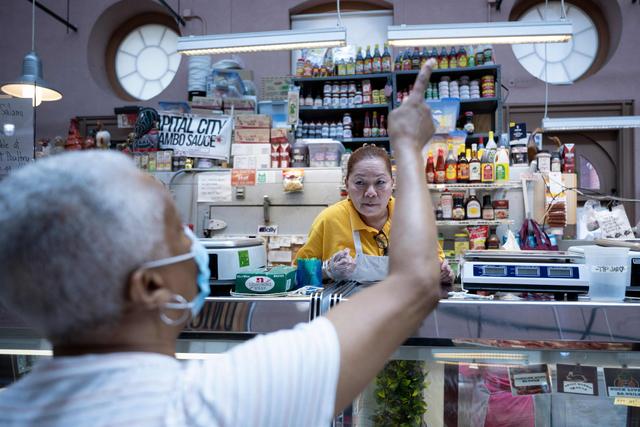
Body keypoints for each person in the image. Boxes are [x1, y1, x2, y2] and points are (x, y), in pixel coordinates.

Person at [0, 60, 441, 426]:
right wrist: (406, 144)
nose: (194, 239)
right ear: (150, 287)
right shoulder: (218, 403)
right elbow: (415, 285)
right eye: (176, 228)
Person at [295, 145, 453, 284]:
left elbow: (439, 268)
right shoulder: (329, 220)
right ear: (346, 184)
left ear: (393, 183)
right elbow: (296, 276)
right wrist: (326, 271)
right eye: (360, 183)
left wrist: (443, 275)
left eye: (380, 182)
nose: (370, 193)